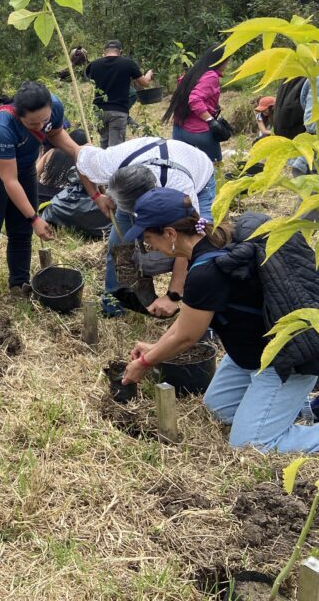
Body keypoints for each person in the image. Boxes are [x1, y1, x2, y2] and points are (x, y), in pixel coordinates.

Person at [120, 188, 319, 453]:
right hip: (250, 355)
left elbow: (186, 337)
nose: (150, 248)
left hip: (285, 360)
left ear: (170, 234)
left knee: (251, 445)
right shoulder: (215, 240)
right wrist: (155, 347)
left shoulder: (207, 272)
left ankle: (287, 417)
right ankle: (290, 408)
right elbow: (189, 319)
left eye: (149, 239)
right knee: (219, 408)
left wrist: (146, 362)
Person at [75, 137, 215, 317]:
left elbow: (189, 244)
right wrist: (96, 197)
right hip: (140, 174)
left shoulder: (182, 194)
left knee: (199, 249)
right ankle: (113, 304)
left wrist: (172, 295)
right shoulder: (109, 163)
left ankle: (196, 310)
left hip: (198, 176)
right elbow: (80, 155)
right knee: (118, 245)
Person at [0, 81, 81, 294]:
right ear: (19, 115)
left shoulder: (54, 106)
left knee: (21, 229)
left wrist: (79, 152)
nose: (40, 127)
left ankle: (19, 284)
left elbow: (55, 133)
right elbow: (9, 180)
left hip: (25, 167)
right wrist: (35, 218)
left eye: (44, 121)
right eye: (32, 124)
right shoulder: (3, 126)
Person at [163, 44, 230, 163]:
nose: (227, 64)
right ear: (221, 61)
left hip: (179, 130)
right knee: (214, 166)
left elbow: (185, 93)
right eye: (227, 61)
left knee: (184, 166)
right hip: (199, 132)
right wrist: (211, 120)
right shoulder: (211, 76)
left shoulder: (194, 71)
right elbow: (195, 99)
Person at [84, 40, 153, 149]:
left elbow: (89, 79)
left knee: (104, 145)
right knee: (115, 149)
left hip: (99, 112)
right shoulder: (128, 64)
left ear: (104, 51)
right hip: (118, 111)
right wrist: (149, 74)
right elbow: (144, 83)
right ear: (120, 52)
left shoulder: (94, 64)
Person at [36, 129, 88, 203]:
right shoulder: (81, 160)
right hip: (62, 200)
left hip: (40, 194)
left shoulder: (52, 152)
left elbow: (36, 172)